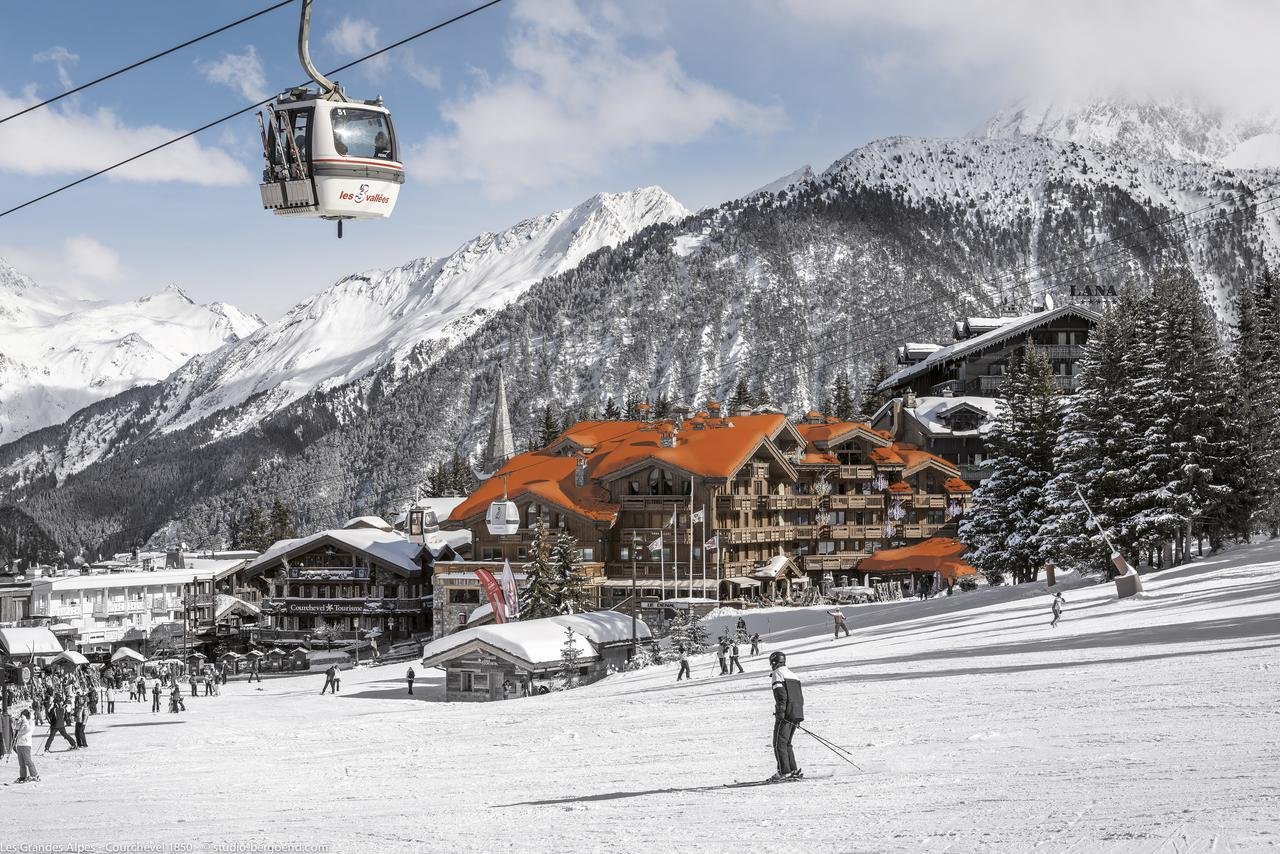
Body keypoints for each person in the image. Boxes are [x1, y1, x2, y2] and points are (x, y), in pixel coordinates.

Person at [768, 651, 804, 782]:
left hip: (786, 713)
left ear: (773, 662)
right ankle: (792, 769)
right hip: (796, 712)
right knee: (786, 743)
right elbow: (799, 696)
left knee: (779, 744)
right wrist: (797, 715)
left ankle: (784, 772)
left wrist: (781, 712)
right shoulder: (793, 675)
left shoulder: (778, 674)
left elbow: (780, 694)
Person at [11, 708, 39, 783]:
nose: (21, 717)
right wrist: (15, 721)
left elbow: (27, 729)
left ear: (26, 716)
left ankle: (34, 775)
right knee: (21, 762)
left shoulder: (30, 722)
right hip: (19, 743)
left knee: (28, 761)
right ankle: (23, 776)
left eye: (22, 716)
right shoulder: (22, 722)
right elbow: (15, 728)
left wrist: (25, 720)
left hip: (26, 744)